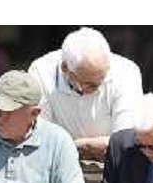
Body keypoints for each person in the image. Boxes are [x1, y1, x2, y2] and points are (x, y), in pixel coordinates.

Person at [28, 26, 143, 162]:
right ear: (65, 69)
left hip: (113, 170)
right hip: (57, 168)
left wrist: (77, 146)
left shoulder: (127, 71)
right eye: (90, 84)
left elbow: (125, 143)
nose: (99, 85)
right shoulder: (41, 72)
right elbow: (40, 140)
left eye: (103, 78)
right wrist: (91, 146)